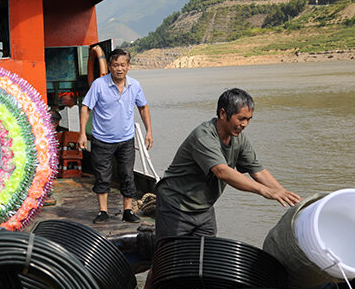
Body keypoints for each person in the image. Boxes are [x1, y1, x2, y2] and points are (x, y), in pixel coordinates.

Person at [153, 87, 301, 239]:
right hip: (176, 206)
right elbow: (222, 171)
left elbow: (258, 171)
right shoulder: (204, 136)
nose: (245, 124)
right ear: (223, 114)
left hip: (204, 208)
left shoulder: (238, 138)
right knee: (172, 252)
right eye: (241, 118)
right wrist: (265, 191)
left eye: (249, 119)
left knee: (207, 252)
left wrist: (285, 195)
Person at [78, 48, 153, 224]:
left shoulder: (135, 85)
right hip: (102, 140)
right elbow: (86, 107)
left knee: (127, 174)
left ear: (128, 66)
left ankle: (128, 211)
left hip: (126, 140)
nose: (119, 69)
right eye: (115, 65)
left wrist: (149, 131)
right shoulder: (99, 85)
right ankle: (102, 212)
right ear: (109, 66)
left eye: (123, 65)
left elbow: (143, 107)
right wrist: (82, 133)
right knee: (102, 176)